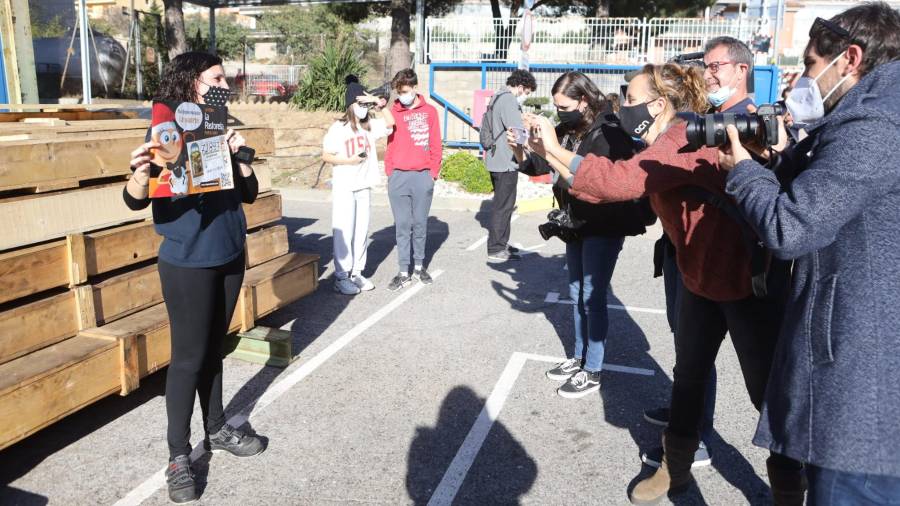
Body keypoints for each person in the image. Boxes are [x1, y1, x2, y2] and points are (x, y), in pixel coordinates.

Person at [526, 63, 804, 505]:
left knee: (767, 393)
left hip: (746, 282)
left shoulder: (681, 136)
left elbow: (621, 181)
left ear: (658, 104)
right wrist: (553, 153)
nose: (623, 103)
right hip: (700, 279)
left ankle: (790, 488)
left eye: (630, 96)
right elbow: (632, 186)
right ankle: (675, 470)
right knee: (688, 380)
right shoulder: (664, 138)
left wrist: (557, 148)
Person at [720, 3, 900, 502]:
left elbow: (791, 228)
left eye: (811, 65)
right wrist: (777, 163)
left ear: (851, 58)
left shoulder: (876, 125)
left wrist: (741, 169)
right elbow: (835, 198)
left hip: (865, 399)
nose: (802, 78)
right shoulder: (879, 114)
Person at [124, 52, 265, 504]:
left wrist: (240, 156)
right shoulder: (165, 128)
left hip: (228, 252)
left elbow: (249, 193)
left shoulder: (220, 126)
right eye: (217, 77)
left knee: (214, 350)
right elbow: (134, 201)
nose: (226, 82)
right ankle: (178, 456)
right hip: (187, 260)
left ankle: (218, 427)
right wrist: (141, 175)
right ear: (191, 82)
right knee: (187, 359)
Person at [642, 35, 758, 471]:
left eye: (716, 67)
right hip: (690, 259)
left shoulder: (752, 125)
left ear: (741, 70)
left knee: (761, 385)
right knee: (689, 363)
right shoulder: (709, 121)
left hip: (737, 275)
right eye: (706, 67)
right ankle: (684, 441)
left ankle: (793, 470)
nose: (708, 74)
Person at [510, 71, 649, 398]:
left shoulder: (610, 132)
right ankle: (578, 356)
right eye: (556, 107)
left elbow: (590, 180)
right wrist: (522, 148)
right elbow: (539, 167)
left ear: (584, 100)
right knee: (576, 294)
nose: (559, 112)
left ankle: (593, 369)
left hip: (604, 223)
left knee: (592, 296)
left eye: (564, 105)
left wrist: (552, 147)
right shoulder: (569, 128)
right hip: (575, 222)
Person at [321, 75, 391, 295]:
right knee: (344, 231)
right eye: (359, 104)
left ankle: (357, 273)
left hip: (363, 185)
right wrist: (349, 161)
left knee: (362, 231)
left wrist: (375, 102)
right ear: (350, 104)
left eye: (365, 105)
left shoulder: (368, 126)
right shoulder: (339, 128)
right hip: (344, 186)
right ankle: (341, 276)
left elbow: (390, 123)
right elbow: (326, 156)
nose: (362, 108)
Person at [377, 69, 443, 291]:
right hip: (398, 177)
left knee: (420, 224)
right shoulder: (394, 112)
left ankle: (419, 267)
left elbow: (436, 144)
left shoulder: (430, 112)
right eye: (398, 92)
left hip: (422, 176)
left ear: (414, 88)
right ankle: (403, 270)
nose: (401, 96)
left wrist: (431, 174)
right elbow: (390, 142)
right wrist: (390, 171)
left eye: (404, 91)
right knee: (403, 225)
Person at [484, 69, 536, 262]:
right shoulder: (508, 100)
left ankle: (502, 243)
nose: (525, 96)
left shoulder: (497, 96)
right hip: (506, 160)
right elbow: (517, 132)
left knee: (502, 204)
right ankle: (496, 247)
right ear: (521, 87)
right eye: (527, 92)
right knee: (504, 206)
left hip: (496, 158)